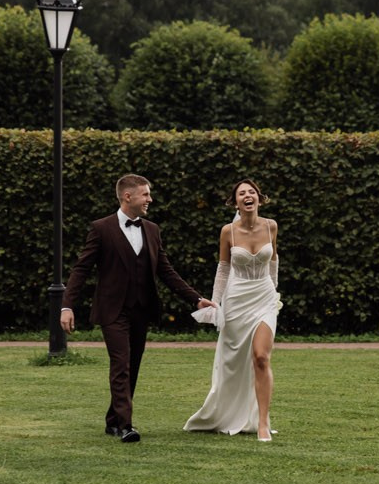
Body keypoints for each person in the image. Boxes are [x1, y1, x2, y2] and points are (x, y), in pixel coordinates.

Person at [61, 174, 212, 443]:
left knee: (133, 364)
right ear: (127, 196)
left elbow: (166, 271)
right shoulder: (101, 228)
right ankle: (126, 425)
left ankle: (113, 420)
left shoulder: (152, 230)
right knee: (121, 363)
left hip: (141, 309)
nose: (150, 199)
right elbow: (81, 269)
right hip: (112, 310)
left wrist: (195, 299)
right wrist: (67, 306)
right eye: (145, 194)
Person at [185, 179, 282, 440]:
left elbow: (273, 262)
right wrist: (215, 304)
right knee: (233, 363)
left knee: (261, 357)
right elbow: (224, 268)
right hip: (237, 299)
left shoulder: (271, 226)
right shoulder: (228, 231)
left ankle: (262, 422)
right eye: (242, 193)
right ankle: (225, 412)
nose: (247, 196)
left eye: (251, 192)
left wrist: (275, 293)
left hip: (263, 297)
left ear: (259, 199)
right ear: (236, 202)